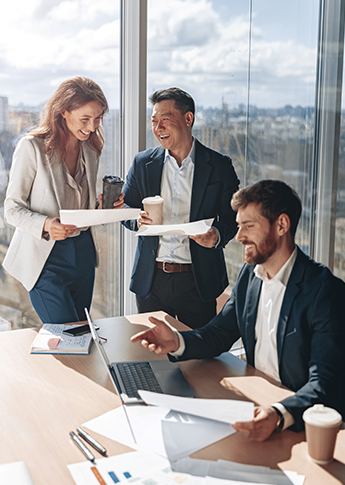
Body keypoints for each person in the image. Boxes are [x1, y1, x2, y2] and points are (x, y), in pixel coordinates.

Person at [131, 180, 345, 441]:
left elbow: (325, 383)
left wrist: (278, 414)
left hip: (300, 422)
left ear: (281, 225)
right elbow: (221, 332)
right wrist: (177, 341)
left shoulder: (325, 291)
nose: (240, 236)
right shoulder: (250, 275)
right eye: (239, 225)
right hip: (257, 402)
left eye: (249, 226)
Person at [3, 76, 124, 324]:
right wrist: (47, 224)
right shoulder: (32, 147)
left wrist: (104, 208)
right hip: (45, 257)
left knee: (80, 330)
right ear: (63, 112)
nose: (92, 127)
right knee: (65, 332)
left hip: (83, 254)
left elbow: (85, 208)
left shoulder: (90, 149)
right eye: (85, 119)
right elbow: (11, 209)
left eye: (98, 119)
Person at [123, 87, 239, 328]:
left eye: (165, 119)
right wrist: (137, 220)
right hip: (151, 281)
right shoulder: (142, 163)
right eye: (154, 121)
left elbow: (233, 216)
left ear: (188, 119)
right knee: (152, 356)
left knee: (199, 360)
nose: (158, 128)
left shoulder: (219, 166)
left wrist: (216, 236)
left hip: (198, 281)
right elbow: (126, 207)